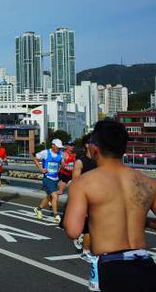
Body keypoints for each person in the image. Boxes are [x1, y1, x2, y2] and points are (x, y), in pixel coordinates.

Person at [64, 120, 156, 291]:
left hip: (113, 266)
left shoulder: (83, 183)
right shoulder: (148, 182)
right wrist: (145, 222)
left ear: (94, 148)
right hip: (146, 264)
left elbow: (73, 230)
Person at [71, 134, 97, 262]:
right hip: (85, 198)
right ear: (87, 145)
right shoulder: (80, 162)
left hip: (98, 197)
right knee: (90, 226)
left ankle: (80, 235)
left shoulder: (100, 160)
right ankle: (86, 252)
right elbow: (75, 183)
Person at [33, 139, 64, 223]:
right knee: (55, 196)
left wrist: (61, 168)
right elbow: (35, 158)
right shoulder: (46, 152)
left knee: (49, 197)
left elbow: (61, 164)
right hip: (47, 178)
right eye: (58, 147)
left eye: (60, 147)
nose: (59, 149)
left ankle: (38, 209)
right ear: (53, 145)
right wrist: (41, 169)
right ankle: (56, 215)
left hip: (55, 178)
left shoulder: (60, 154)